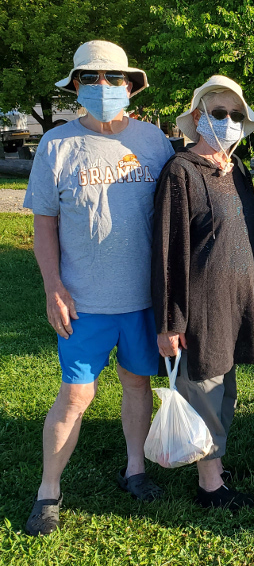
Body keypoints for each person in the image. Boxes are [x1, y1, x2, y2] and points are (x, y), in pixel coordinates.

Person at [22, 40, 175, 535]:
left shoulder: (154, 141)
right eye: (90, 79)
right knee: (75, 396)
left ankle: (135, 468)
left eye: (113, 79)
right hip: (83, 300)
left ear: (131, 86)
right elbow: (43, 221)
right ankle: (49, 490)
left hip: (143, 299)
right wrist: (53, 286)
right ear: (76, 87)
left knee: (137, 384)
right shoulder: (57, 144)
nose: (103, 87)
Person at [151, 75, 254, 510]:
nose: (230, 121)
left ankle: (213, 458)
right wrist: (170, 322)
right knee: (205, 387)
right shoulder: (180, 171)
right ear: (198, 118)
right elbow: (168, 250)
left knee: (224, 386)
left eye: (237, 115)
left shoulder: (234, 171)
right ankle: (210, 485)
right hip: (200, 305)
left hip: (234, 303)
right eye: (220, 113)